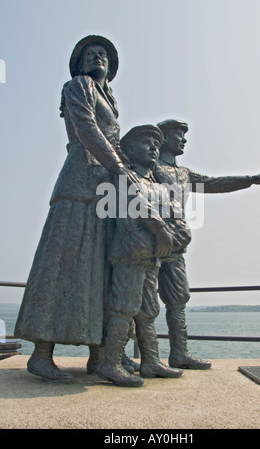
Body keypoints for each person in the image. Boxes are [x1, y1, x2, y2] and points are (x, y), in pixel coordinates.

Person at [14, 35, 137, 382]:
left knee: (100, 268)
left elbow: (113, 139)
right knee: (62, 262)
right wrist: (117, 166)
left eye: (103, 55)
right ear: (80, 65)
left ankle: (100, 355)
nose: (97, 57)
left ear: (110, 68)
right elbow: (85, 128)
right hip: (79, 183)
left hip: (104, 188)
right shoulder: (78, 85)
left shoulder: (111, 100)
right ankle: (41, 354)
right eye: (89, 54)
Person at [154, 119, 260, 370]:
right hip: (149, 240)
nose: (184, 139)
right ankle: (138, 358)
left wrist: (249, 179)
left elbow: (213, 183)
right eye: (179, 134)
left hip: (177, 242)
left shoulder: (184, 173)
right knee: (137, 300)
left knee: (178, 298)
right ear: (164, 137)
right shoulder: (147, 167)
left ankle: (179, 353)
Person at [98, 124, 189, 387]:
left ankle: (150, 361)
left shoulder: (158, 184)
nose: (153, 148)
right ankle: (110, 363)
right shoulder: (124, 176)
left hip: (152, 257)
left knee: (149, 310)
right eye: (146, 142)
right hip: (130, 254)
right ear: (129, 149)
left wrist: (174, 235)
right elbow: (139, 205)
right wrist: (161, 230)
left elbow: (176, 216)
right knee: (124, 308)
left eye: (155, 143)